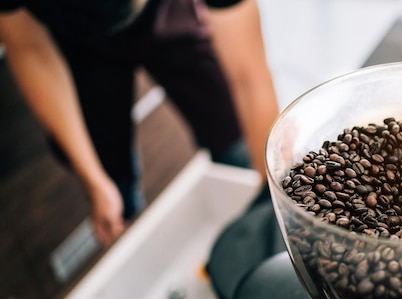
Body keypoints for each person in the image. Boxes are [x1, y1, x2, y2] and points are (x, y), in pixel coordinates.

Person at [0, 0, 280, 246]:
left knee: (230, 129)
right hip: (78, 44)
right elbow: (29, 47)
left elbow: (249, 78)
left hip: (167, 11)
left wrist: (274, 195)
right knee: (109, 175)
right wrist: (95, 181)